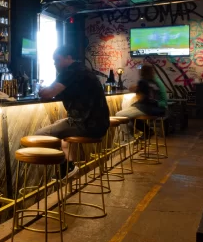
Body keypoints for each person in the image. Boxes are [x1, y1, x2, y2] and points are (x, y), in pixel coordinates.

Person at [36, 45, 110, 174]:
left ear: (68, 58)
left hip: (85, 124)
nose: (55, 64)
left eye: (57, 60)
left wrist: (41, 90)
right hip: (100, 124)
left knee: (39, 136)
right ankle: (69, 167)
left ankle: (65, 166)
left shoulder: (70, 72)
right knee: (62, 134)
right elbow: (63, 92)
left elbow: (48, 93)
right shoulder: (84, 70)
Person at [115, 64, 167, 132]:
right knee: (132, 115)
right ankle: (147, 132)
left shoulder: (144, 82)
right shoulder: (156, 81)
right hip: (161, 108)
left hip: (150, 108)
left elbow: (142, 98)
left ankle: (131, 138)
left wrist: (137, 91)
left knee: (119, 115)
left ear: (143, 72)